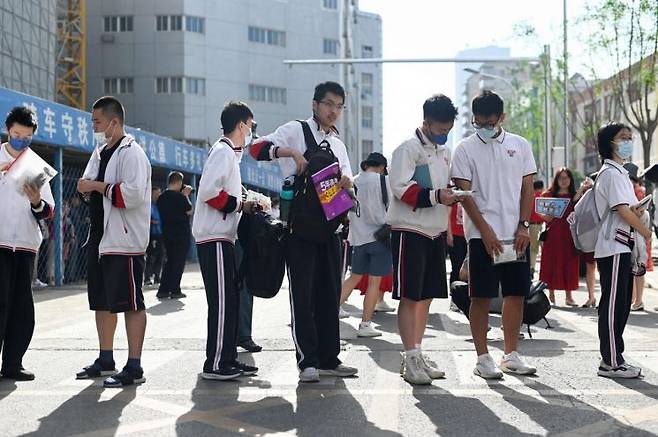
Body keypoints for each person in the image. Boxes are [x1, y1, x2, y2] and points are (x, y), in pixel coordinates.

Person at [250, 81, 358, 383]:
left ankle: (329, 358)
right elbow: (254, 149)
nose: (333, 111)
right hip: (299, 228)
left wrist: (348, 182)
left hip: (331, 228)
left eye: (339, 106)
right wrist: (291, 153)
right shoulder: (296, 130)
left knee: (329, 294)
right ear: (314, 104)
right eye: (328, 104)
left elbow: (346, 177)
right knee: (303, 294)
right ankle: (307, 360)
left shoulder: (338, 144)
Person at [451, 90, 537, 379]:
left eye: (489, 122)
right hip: (481, 236)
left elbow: (527, 188)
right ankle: (483, 357)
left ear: (502, 117)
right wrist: (484, 231)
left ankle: (511, 355)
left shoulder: (520, 145)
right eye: (478, 123)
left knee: (515, 294)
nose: (484, 127)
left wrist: (524, 225)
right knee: (481, 297)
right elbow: (464, 194)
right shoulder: (464, 149)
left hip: (516, 235)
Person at [76, 96, 151, 387]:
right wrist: (87, 188)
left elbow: (130, 195)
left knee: (131, 303)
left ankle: (134, 366)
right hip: (100, 238)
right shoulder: (100, 151)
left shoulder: (132, 153)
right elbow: (89, 186)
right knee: (102, 302)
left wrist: (94, 186)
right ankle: (106, 358)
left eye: (97, 121)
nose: (94, 126)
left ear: (114, 122)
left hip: (124, 240)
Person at [388, 94, 459, 385]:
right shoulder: (407, 149)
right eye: (440, 129)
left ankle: (417, 351)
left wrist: (451, 196)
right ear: (426, 122)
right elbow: (399, 188)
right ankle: (410, 355)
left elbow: (445, 188)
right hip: (410, 230)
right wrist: (437, 196)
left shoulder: (444, 152)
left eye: (448, 129)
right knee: (410, 296)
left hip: (435, 231)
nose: (444, 134)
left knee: (427, 295)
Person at [192, 101, 259, 381]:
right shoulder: (223, 151)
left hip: (223, 237)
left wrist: (242, 202)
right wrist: (240, 206)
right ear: (241, 124)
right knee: (222, 302)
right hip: (215, 237)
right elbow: (208, 191)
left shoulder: (231, 154)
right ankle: (217, 361)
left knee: (229, 301)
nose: (252, 132)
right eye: (251, 126)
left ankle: (227, 356)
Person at [592, 122, 651, 378]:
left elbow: (626, 209)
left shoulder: (620, 173)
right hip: (613, 246)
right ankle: (611, 361)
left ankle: (616, 357)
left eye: (630, 137)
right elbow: (622, 211)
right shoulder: (611, 173)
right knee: (613, 305)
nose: (628, 141)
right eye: (623, 138)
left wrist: (637, 211)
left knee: (622, 304)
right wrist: (647, 232)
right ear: (610, 143)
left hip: (621, 245)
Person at [0, 106, 54, 381]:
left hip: (25, 245)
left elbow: (49, 211)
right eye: (17, 135)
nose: (21, 141)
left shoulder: (37, 165)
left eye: (27, 137)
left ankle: (13, 363)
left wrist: (37, 202)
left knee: (21, 305)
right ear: (8, 130)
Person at [339, 152, 391, 338]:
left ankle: (333, 309)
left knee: (354, 277)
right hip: (380, 238)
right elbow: (393, 208)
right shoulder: (384, 181)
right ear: (382, 167)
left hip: (358, 239)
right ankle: (365, 324)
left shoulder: (352, 181)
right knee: (374, 283)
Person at [538, 168, 589, 306]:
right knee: (551, 262)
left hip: (570, 235)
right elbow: (541, 214)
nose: (564, 180)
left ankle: (569, 296)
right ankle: (551, 293)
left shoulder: (575, 196)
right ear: (556, 179)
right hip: (553, 235)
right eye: (561, 178)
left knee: (569, 263)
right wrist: (547, 216)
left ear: (571, 180)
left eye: (566, 178)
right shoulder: (548, 195)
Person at [157, 172, 193, 299]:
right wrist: (186, 195)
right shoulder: (180, 197)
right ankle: (175, 290)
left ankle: (163, 290)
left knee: (169, 261)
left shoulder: (161, 197)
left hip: (166, 233)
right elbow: (189, 210)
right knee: (178, 262)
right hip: (181, 234)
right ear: (179, 182)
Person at [626, 164, 653, 311]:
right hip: (635, 233)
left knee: (639, 267)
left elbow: (644, 212)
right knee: (634, 267)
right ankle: (634, 299)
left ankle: (638, 299)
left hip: (639, 233)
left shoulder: (638, 192)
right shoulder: (632, 190)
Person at [144, 187, 164, 286]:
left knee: (161, 256)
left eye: (159, 193)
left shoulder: (159, 205)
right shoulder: (148, 205)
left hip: (160, 234)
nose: (158, 195)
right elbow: (145, 218)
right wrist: (152, 221)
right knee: (151, 256)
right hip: (152, 234)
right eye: (156, 193)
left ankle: (157, 277)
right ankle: (147, 278)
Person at [447, 203, 467, 285]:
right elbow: (447, 216)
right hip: (455, 235)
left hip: (469, 236)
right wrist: (449, 234)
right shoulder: (453, 194)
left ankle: (466, 291)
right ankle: (454, 291)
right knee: (457, 265)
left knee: (468, 267)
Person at [529, 180, 545, 276]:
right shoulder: (543, 196)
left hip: (532, 225)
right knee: (544, 249)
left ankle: (532, 268)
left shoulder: (531, 197)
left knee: (533, 249)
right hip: (543, 225)